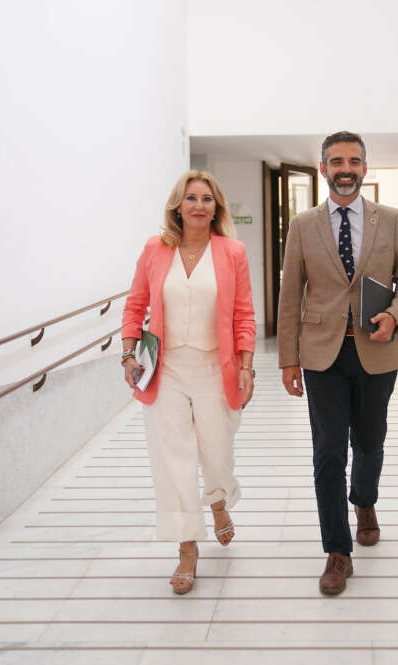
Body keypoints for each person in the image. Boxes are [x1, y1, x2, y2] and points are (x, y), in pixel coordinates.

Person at [277, 131, 398, 595]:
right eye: (336, 160)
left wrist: (395, 317)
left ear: (364, 167)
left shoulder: (392, 220)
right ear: (323, 169)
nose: (345, 168)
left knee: (370, 440)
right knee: (328, 451)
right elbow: (289, 294)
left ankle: (365, 501)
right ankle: (337, 551)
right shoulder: (303, 224)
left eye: (353, 161)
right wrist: (288, 359)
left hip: (376, 349)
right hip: (322, 352)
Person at [120, 170, 256, 595]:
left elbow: (243, 315)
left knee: (216, 453)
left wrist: (248, 366)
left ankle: (218, 501)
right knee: (173, 459)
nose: (200, 205)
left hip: (218, 368)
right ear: (177, 206)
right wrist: (128, 352)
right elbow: (135, 304)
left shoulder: (232, 251)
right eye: (192, 198)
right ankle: (186, 547)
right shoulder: (155, 250)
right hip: (168, 368)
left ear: (217, 208)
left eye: (207, 199)